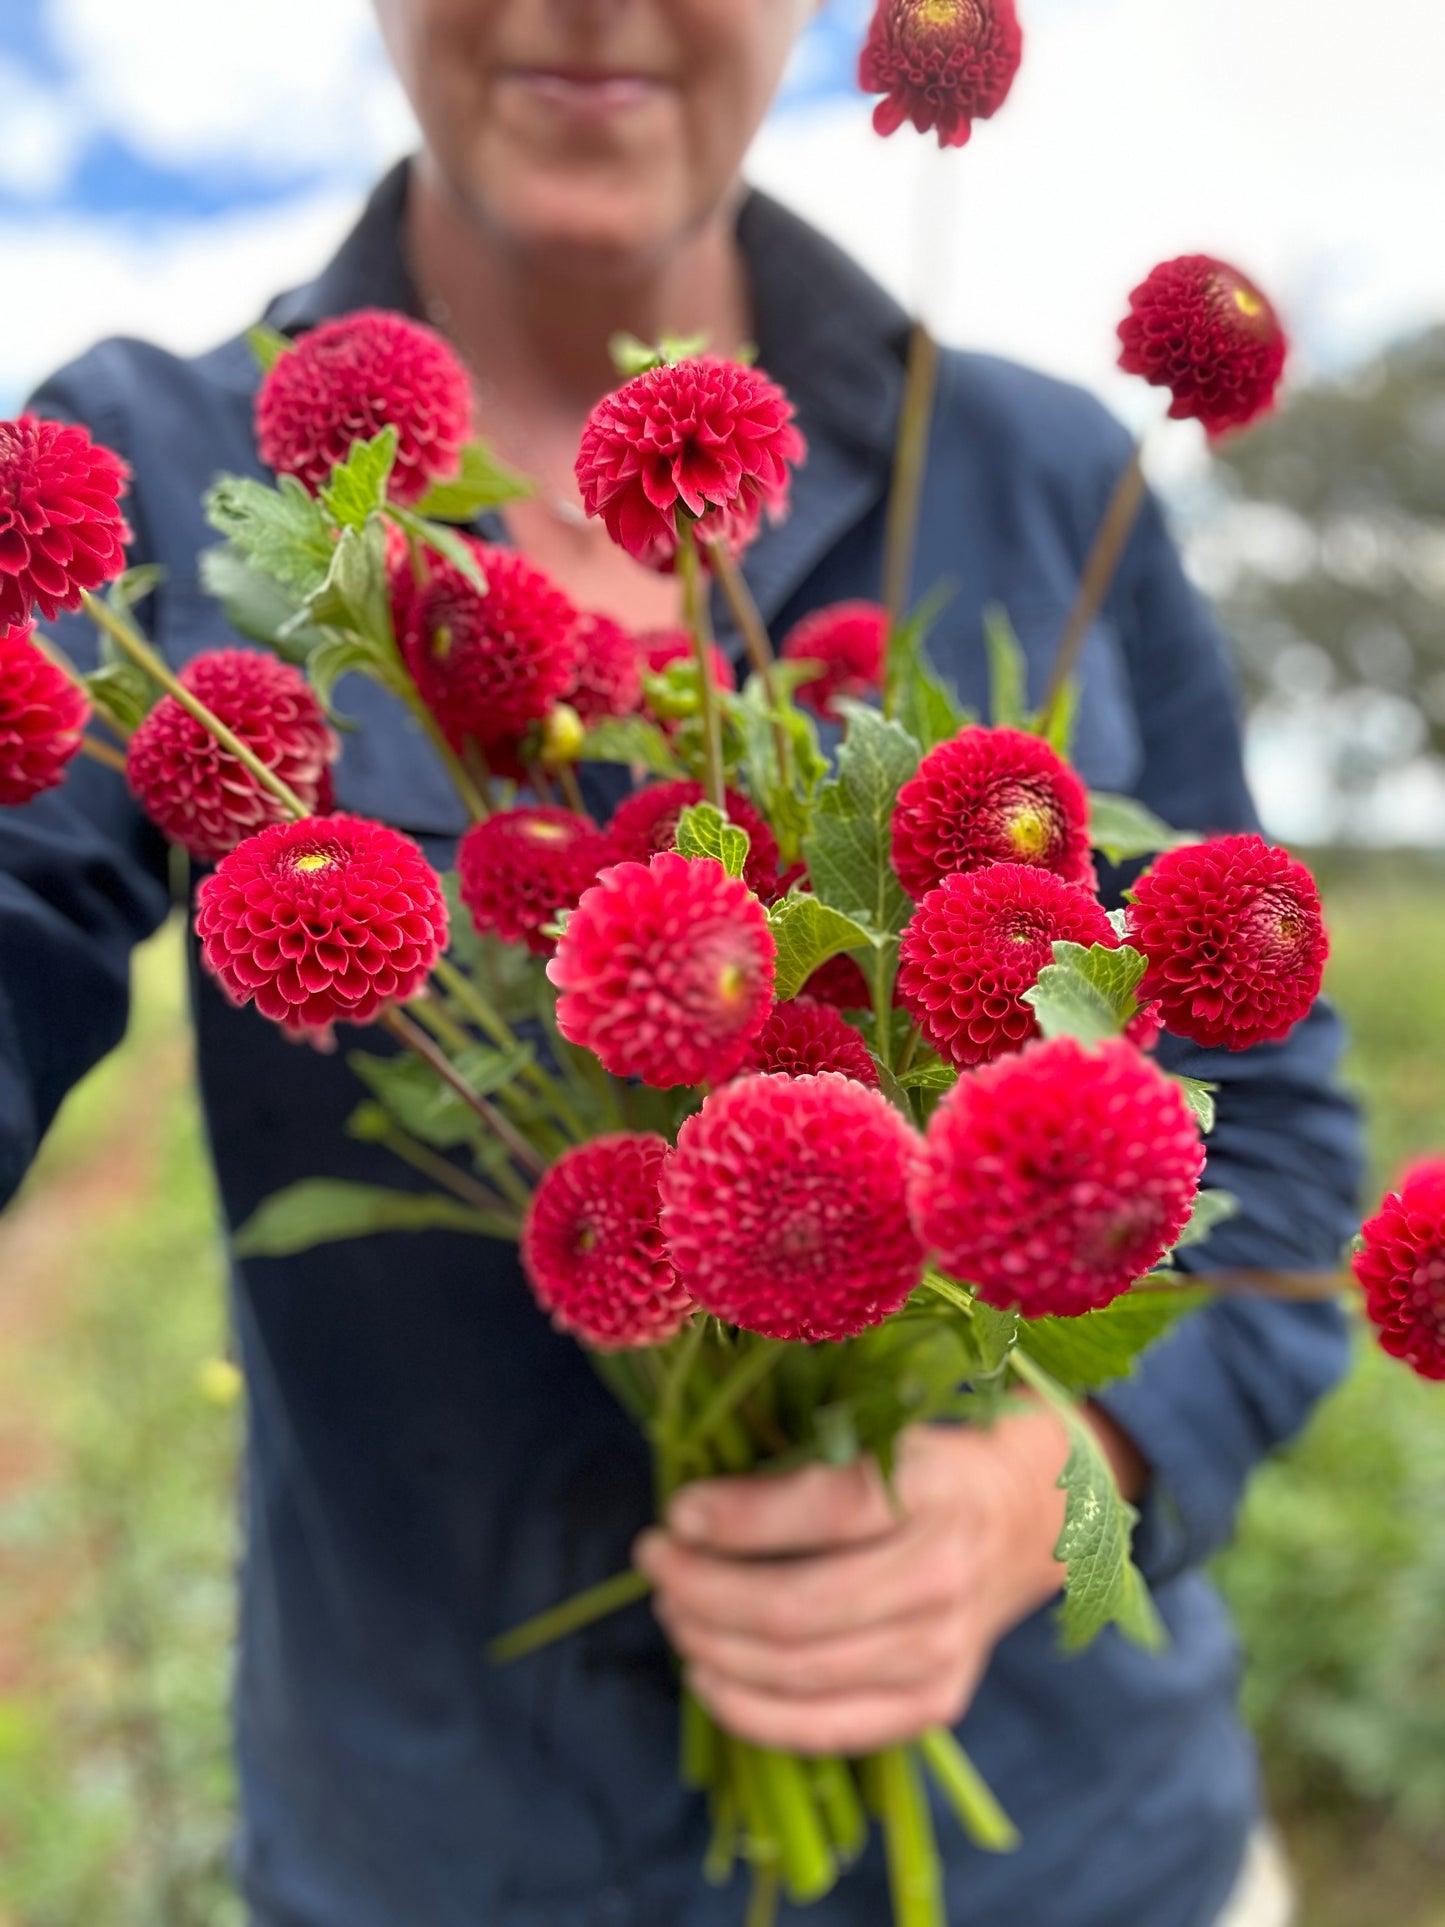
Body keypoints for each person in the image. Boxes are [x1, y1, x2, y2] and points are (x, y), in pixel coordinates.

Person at [1, 3, 1361, 1923]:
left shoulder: (1051, 479)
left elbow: (1278, 1131)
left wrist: (1057, 1472)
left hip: (1085, 1856)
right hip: (460, 1863)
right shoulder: (137, 463)